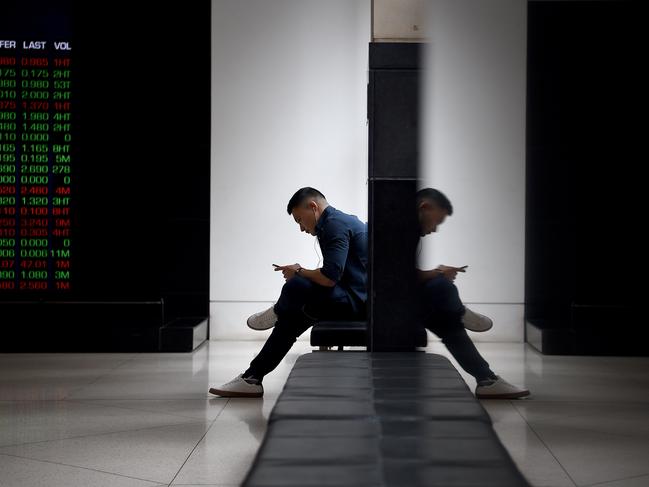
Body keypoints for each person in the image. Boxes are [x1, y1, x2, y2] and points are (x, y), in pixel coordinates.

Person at [209, 187, 367, 398]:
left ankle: (277, 311)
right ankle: (252, 378)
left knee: (297, 285)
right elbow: (333, 276)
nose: (301, 228)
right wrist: (301, 272)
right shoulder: (337, 221)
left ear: (313, 207)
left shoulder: (334, 225)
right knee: (290, 321)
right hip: (352, 296)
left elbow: (329, 278)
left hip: (358, 301)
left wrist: (299, 270)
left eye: (300, 220)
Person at [416, 188, 530, 399]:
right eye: (436, 222)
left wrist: (437, 273)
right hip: (377, 301)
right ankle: (459, 312)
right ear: (425, 207)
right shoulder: (400, 231)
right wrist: (438, 272)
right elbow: (398, 278)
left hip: (389, 299)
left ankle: (486, 379)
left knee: (447, 319)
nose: (434, 230)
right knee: (442, 288)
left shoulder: (405, 230)